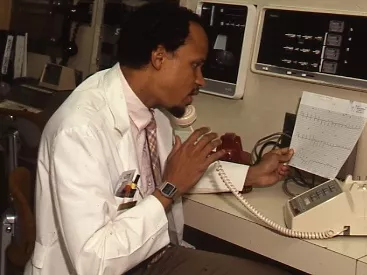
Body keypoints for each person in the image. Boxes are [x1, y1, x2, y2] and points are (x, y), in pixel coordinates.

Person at [24, 2, 294, 275]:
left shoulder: (153, 117)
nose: (200, 80)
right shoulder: (79, 130)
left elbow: (172, 174)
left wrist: (251, 175)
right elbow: (95, 262)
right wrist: (169, 189)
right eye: (195, 66)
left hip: (149, 255)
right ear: (159, 57)